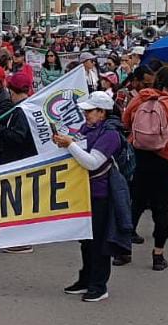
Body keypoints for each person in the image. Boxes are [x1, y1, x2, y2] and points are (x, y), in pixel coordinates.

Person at [55, 92, 129, 303]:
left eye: (89, 111)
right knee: (86, 241)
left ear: (102, 112)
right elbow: (79, 151)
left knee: (98, 243)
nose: (86, 114)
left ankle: (99, 285)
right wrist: (65, 143)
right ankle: (86, 279)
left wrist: (70, 144)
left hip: (101, 194)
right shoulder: (89, 128)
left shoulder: (111, 135)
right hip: (85, 192)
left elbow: (92, 162)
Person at [122, 67, 168, 272]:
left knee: (136, 203)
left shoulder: (139, 99)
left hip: (141, 157)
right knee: (162, 207)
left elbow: (125, 121)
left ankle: (124, 250)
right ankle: (158, 255)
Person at [0, 71, 37, 167]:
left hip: (19, 162)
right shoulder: (28, 107)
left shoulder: (21, 110)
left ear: (12, 91)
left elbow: (17, 137)